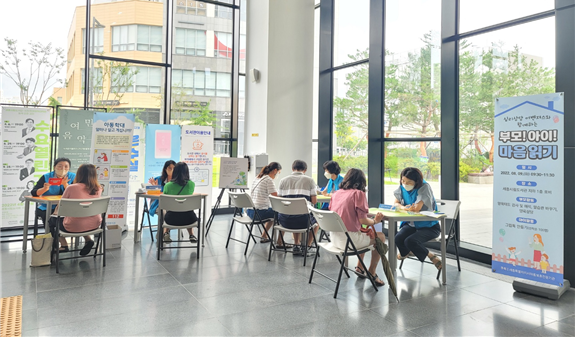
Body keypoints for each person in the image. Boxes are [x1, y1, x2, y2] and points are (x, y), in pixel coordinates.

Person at [329, 168, 386, 286]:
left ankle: (360, 268)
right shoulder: (358, 194)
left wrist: (365, 227)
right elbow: (363, 220)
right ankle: (372, 272)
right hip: (349, 242)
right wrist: (376, 221)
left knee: (367, 232)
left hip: (334, 239)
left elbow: (342, 217)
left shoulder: (337, 193)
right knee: (380, 236)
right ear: (361, 181)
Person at [393, 167, 442, 270]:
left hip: (429, 227)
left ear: (417, 181)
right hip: (411, 225)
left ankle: (431, 256)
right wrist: (403, 207)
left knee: (410, 241)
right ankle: (408, 252)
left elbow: (416, 208)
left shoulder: (424, 187)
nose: (405, 184)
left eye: (409, 182)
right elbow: (396, 203)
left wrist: (407, 208)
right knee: (398, 238)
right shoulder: (402, 187)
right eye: (403, 180)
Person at [49, 164, 103, 254]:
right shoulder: (98, 188)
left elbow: (62, 205)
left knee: (51, 221)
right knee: (82, 218)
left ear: (79, 174)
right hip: (94, 225)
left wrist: (55, 214)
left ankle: (64, 245)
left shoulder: (72, 187)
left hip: (72, 226)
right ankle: (88, 239)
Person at [277, 160, 320, 256]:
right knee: (317, 222)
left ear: (292, 169)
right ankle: (307, 246)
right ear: (305, 170)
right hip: (303, 221)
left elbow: (279, 200)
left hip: (284, 221)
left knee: (294, 212)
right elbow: (314, 201)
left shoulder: (283, 180)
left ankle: (296, 244)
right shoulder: (310, 180)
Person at [30, 158, 76, 228]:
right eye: (60, 166)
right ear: (54, 167)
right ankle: (53, 236)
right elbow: (34, 193)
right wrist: (44, 189)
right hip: (48, 207)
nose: (63, 169)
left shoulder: (73, 177)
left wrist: (65, 185)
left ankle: (61, 236)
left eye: (66, 166)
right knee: (49, 219)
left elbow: (75, 193)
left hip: (67, 207)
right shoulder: (46, 177)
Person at [246, 162, 282, 243]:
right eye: (279, 172)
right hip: (259, 213)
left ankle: (264, 235)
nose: (277, 175)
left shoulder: (257, 177)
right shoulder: (268, 180)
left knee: (272, 211)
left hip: (250, 211)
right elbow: (275, 196)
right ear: (275, 171)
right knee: (280, 214)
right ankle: (279, 242)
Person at [162, 162, 198, 243]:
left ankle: (166, 233)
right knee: (186, 210)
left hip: (171, 219)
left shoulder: (168, 185)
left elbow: (165, 202)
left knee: (170, 211)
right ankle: (191, 235)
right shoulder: (191, 184)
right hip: (189, 219)